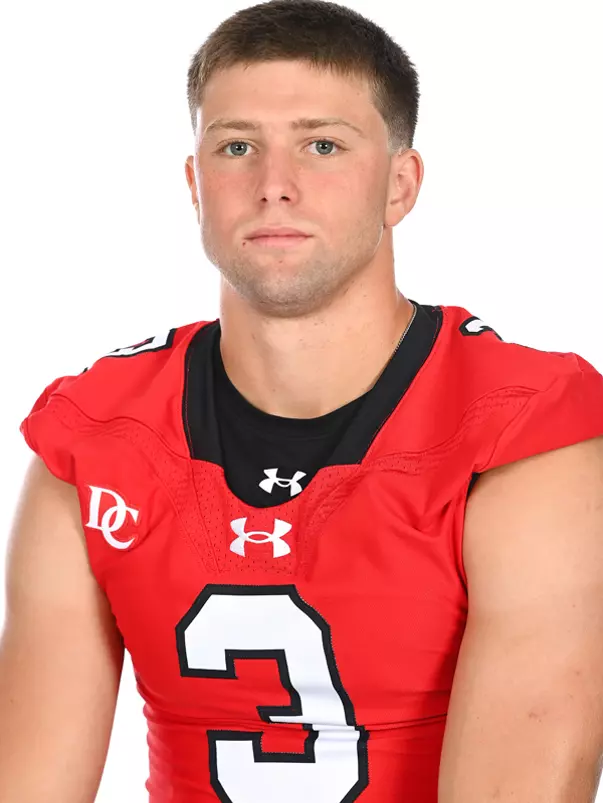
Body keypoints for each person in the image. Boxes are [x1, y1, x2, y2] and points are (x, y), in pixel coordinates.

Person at [2, 0, 603, 800]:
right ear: (195, 184)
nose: (273, 187)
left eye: (322, 146)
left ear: (399, 185)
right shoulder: (96, 435)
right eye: (237, 147)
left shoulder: (521, 428)